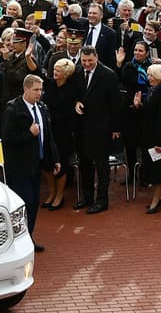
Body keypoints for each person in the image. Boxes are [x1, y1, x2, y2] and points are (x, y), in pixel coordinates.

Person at [0, 74, 59, 251]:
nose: (39, 93)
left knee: (34, 203)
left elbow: (48, 136)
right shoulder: (13, 110)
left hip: (36, 165)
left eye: (41, 90)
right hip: (19, 166)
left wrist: (54, 158)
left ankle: (29, 236)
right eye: (35, 90)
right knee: (25, 203)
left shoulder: (42, 108)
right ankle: (19, 239)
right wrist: (29, 134)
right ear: (26, 89)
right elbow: (8, 140)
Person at [72, 45, 121, 214]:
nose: (86, 64)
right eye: (84, 61)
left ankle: (102, 200)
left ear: (97, 57)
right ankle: (87, 197)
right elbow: (74, 94)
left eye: (90, 61)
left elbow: (115, 103)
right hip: (82, 127)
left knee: (101, 166)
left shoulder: (108, 75)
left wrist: (115, 128)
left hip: (101, 127)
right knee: (85, 164)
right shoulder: (77, 72)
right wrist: (76, 102)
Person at [42, 58, 78, 209]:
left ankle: (60, 195)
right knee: (47, 163)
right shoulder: (49, 84)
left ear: (66, 74)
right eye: (54, 69)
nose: (54, 72)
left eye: (58, 70)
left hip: (63, 132)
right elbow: (35, 71)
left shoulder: (71, 89)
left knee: (61, 164)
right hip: (47, 130)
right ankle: (52, 192)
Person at [136, 64, 161, 213]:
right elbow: (149, 112)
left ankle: (156, 200)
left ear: (159, 77)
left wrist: (159, 142)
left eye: (151, 75)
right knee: (153, 169)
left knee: (159, 171)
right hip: (149, 137)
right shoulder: (152, 91)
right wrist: (139, 106)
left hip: (158, 140)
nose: (149, 78)